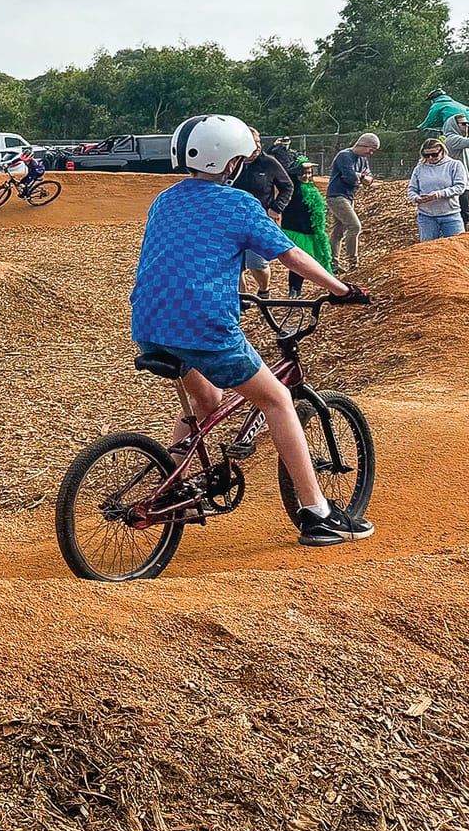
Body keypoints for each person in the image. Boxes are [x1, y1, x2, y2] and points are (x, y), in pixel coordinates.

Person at [132, 115, 372, 547]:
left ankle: (175, 490)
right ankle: (317, 512)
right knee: (278, 399)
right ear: (233, 161)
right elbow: (292, 256)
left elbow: (184, 256)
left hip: (150, 322)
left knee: (207, 398)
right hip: (204, 324)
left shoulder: (164, 200)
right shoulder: (239, 205)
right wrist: (341, 289)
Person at [233, 129, 294, 298]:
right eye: (253, 142)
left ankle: (264, 290)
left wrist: (276, 208)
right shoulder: (231, 164)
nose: (257, 146)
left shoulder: (269, 163)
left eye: (259, 142)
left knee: (257, 263)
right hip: (233, 221)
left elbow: (287, 187)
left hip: (259, 222)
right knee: (235, 265)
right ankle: (242, 300)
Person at [421, 90, 469, 227]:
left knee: (462, 212)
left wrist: (422, 127)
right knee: (461, 213)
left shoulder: (437, 105)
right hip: (456, 183)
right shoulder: (452, 139)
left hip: (464, 181)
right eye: (464, 124)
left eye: (467, 124)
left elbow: (429, 121)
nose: (467, 126)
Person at [325, 133, 379, 270]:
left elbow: (369, 179)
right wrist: (361, 177)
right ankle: (353, 262)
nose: (371, 153)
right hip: (337, 195)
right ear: (362, 145)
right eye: (371, 149)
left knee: (339, 230)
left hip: (349, 196)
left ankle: (333, 262)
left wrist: (361, 177)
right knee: (355, 226)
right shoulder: (345, 156)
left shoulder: (363, 159)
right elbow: (349, 178)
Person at [280, 158, 333, 297]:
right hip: (295, 230)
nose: (307, 176)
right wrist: (299, 168)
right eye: (303, 173)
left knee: (307, 260)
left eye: (309, 173)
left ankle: (297, 290)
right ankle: (294, 291)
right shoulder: (291, 188)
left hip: (309, 231)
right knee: (299, 261)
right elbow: (286, 174)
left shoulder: (310, 188)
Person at [406, 136, 468, 241]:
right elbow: (412, 189)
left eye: (434, 154)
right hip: (426, 216)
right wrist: (416, 198)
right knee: (427, 249)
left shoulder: (455, 165)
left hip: (450, 215)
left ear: (442, 151)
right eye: (427, 155)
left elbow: (460, 187)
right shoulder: (419, 169)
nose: (430, 158)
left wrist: (439, 194)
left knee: (458, 245)